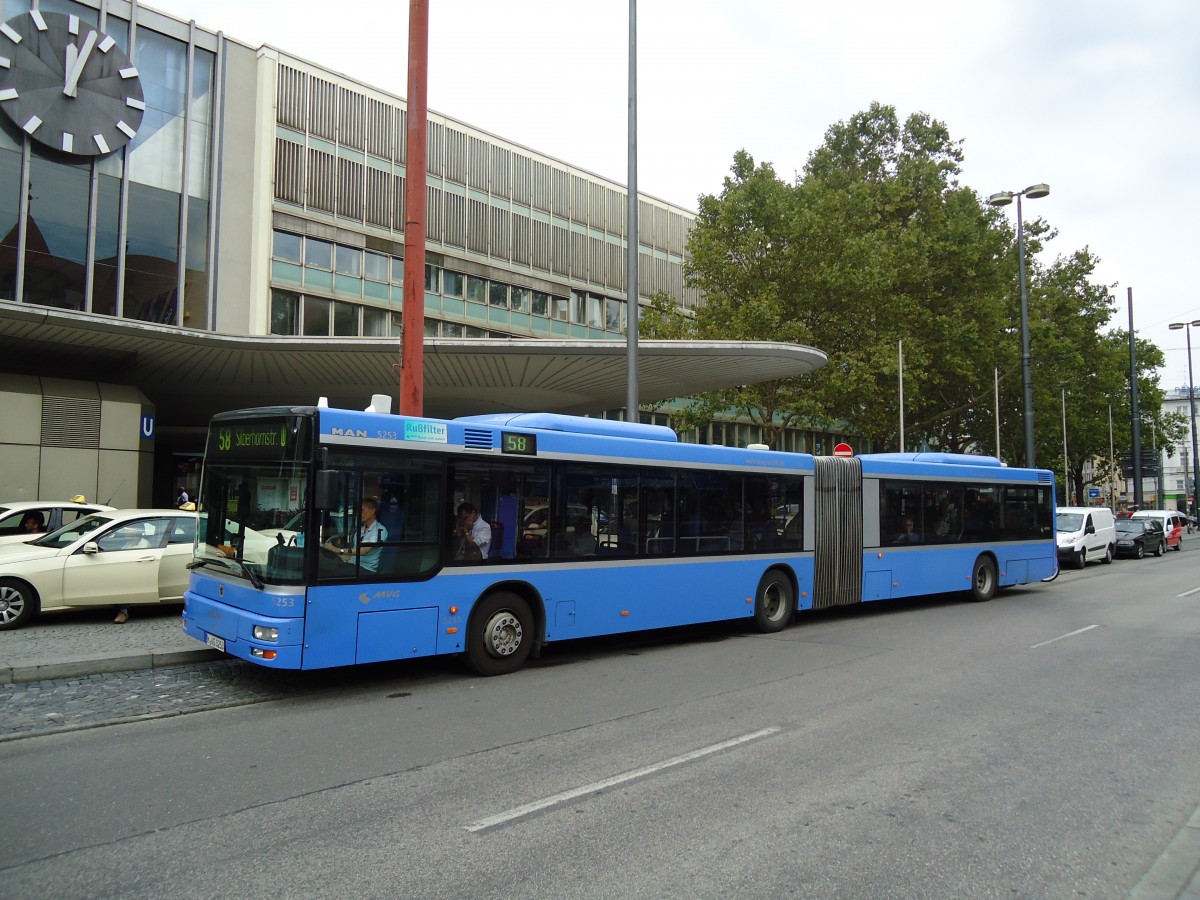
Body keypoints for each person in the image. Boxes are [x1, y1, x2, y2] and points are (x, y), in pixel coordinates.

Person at [325, 497, 388, 572]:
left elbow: (363, 551)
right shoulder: (360, 529)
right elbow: (352, 556)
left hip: (366, 569)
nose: (359, 513)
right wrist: (333, 552)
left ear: (372, 511)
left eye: (362, 510)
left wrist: (338, 550)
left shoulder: (380, 530)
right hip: (353, 565)